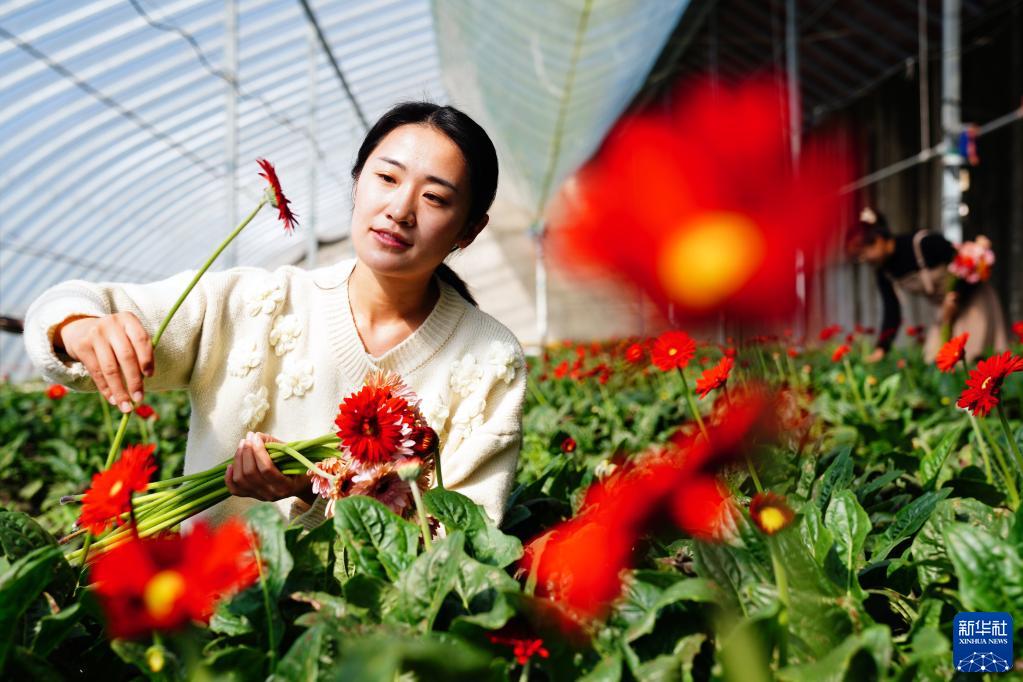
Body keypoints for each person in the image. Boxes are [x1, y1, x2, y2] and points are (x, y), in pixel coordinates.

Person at [24, 102, 526, 529]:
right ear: (357, 182)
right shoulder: (253, 302)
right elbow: (72, 306)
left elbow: (460, 544)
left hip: (379, 636)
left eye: (435, 197)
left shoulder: (488, 359)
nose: (400, 208)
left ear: (469, 230)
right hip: (207, 616)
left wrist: (310, 494)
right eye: (387, 177)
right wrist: (80, 328)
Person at [847, 208, 1008, 363]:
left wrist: (955, 296)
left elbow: (965, 266)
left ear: (878, 240)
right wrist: (882, 347)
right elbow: (891, 310)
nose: (864, 260)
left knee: (972, 358)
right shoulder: (884, 272)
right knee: (934, 359)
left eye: (863, 253)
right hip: (944, 310)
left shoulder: (923, 243)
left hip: (973, 302)